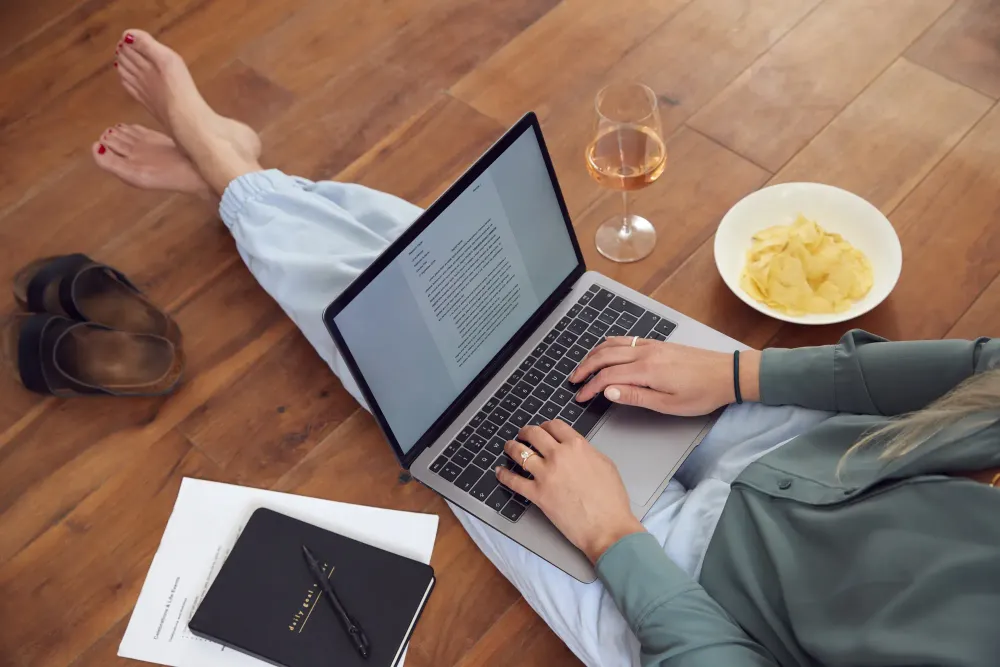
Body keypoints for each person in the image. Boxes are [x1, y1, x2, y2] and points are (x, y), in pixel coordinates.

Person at [95, 31, 1000, 667]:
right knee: (516, 302)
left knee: (436, 384)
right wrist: (735, 371)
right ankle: (251, 183)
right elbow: (985, 377)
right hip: (835, 465)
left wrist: (611, 535)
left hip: (702, 607)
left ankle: (235, 176)